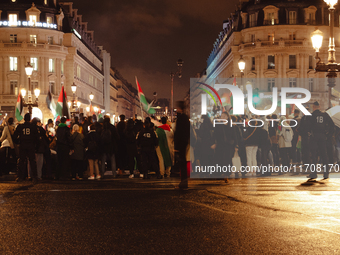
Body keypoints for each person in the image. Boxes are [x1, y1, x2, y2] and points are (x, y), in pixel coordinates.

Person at [308, 101, 335, 181]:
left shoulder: (312, 115)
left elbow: (308, 127)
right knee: (324, 155)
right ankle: (326, 173)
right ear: (319, 107)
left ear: (313, 107)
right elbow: (332, 125)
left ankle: (314, 173)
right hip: (323, 136)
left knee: (313, 155)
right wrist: (328, 135)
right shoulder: (324, 115)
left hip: (314, 137)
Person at [13, 113, 38, 183]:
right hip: (31, 145)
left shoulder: (20, 126)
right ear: (30, 119)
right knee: (32, 161)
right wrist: (35, 145)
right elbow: (36, 137)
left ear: (24, 119)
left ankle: (20, 177)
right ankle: (34, 177)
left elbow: (14, 136)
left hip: (23, 145)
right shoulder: (33, 127)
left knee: (21, 161)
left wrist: (18, 142)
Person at [174, 101, 190, 188]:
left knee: (182, 162)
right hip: (184, 142)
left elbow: (178, 132)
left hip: (181, 143)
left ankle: (183, 181)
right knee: (183, 161)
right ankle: (184, 181)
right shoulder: (186, 118)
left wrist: (176, 145)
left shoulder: (180, 118)